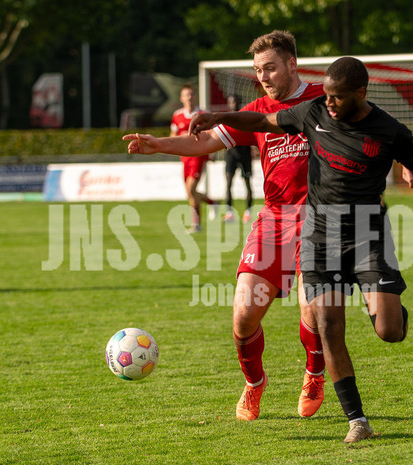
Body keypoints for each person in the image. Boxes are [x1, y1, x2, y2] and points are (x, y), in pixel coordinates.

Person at [189, 56, 413, 443]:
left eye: (337, 97)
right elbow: (261, 121)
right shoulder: (315, 112)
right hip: (319, 236)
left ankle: (390, 309)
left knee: (389, 331)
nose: (330, 103)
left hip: (367, 234)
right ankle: (357, 421)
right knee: (328, 327)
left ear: (361, 93)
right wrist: (217, 116)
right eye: (326, 95)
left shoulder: (389, 130)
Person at [124, 30, 328, 422]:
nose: (264, 77)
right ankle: (254, 384)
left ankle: (314, 375)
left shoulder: (324, 98)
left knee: (313, 306)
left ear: (292, 64)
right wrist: (159, 144)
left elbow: (370, 122)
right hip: (274, 219)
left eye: (270, 68)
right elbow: (203, 143)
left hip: (321, 219)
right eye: (258, 70)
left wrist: (405, 159)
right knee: (243, 314)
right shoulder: (256, 111)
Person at [171, 83, 216, 233]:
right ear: (181, 98)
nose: (189, 97)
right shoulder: (177, 115)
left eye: (191, 94)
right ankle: (212, 203)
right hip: (184, 158)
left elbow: (213, 135)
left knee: (191, 189)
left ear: (195, 96)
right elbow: (173, 135)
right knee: (190, 193)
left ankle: (197, 225)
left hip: (199, 156)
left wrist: (213, 151)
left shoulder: (203, 114)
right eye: (186, 95)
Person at [223, 94, 254, 223]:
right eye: (231, 102)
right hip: (231, 155)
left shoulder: (245, 117)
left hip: (245, 154)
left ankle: (248, 212)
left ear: (239, 102)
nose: (233, 104)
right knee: (229, 183)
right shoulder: (226, 119)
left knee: (247, 183)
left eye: (235, 102)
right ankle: (229, 212)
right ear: (228, 104)